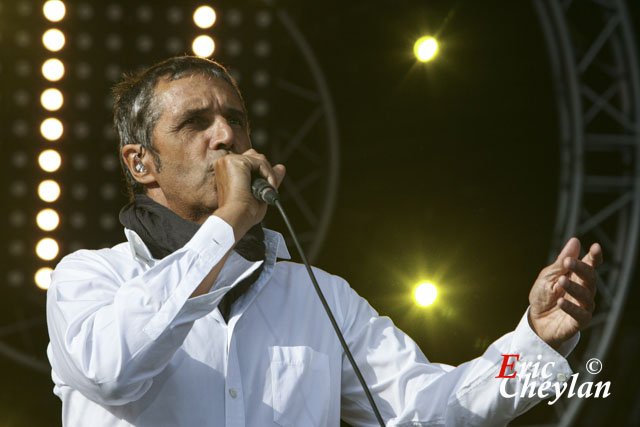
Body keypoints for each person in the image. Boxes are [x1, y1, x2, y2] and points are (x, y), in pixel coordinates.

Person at [46, 56, 602, 427]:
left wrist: (536, 344)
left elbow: (430, 408)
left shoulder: (319, 297)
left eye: (235, 120)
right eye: (195, 123)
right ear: (141, 162)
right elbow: (109, 372)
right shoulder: (90, 278)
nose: (226, 137)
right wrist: (229, 224)